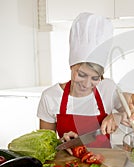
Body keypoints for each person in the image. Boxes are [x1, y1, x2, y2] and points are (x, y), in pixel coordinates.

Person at [37, 13, 124, 153]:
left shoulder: (108, 88)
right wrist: (60, 142)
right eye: (81, 74)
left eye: (95, 78)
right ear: (71, 66)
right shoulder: (50, 96)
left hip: (103, 165)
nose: (86, 84)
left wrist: (118, 116)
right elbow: (43, 146)